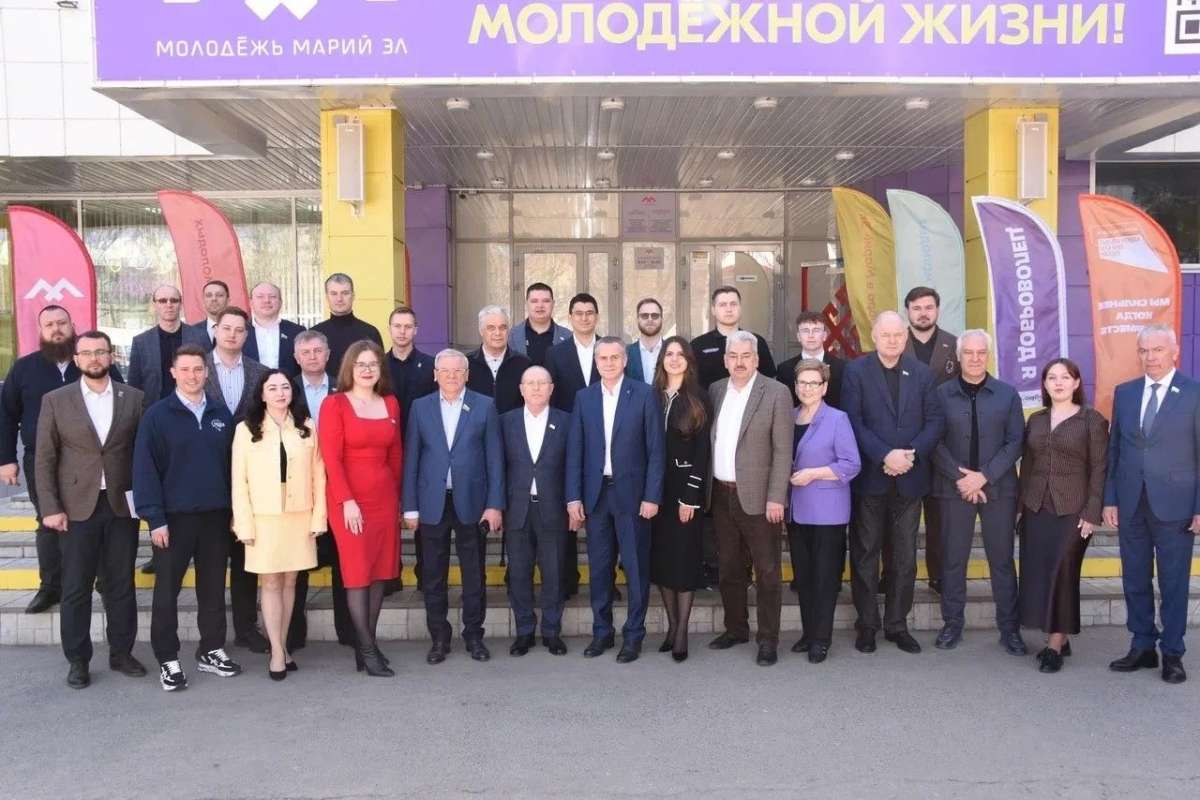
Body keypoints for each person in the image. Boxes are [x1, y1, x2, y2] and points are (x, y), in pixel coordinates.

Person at [35, 331, 146, 689]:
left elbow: (143, 455)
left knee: (121, 584)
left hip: (120, 506)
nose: (94, 358)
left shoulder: (134, 398)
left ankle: (122, 653)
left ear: (111, 356)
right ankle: (78, 660)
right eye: (87, 353)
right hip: (74, 508)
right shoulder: (56, 400)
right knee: (76, 587)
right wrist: (50, 507)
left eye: (100, 352)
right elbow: (44, 458)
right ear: (77, 359)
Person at [0, 305, 123, 614]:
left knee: (96, 519)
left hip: (93, 461)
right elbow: (6, 415)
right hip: (43, 461)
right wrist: (6, 459)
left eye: (62, 323)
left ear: (72, 325)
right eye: (49, 324)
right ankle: (51, 587)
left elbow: (123, 404)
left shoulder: (94, 363)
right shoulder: (24, 368)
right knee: (48, 521)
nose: (56, 329)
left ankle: (104, 581)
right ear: (40, 330)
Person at [134, 344, 242, 691]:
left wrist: (234, 512)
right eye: (185, 370)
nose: (192, 376)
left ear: (206, 372)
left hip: (215, 518)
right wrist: (155, 519)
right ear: (173, 373)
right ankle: (168, 658)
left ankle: (211, 649)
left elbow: (233, 468)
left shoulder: (220, 413)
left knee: (213, 588)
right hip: (173, 520)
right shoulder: (157, 415)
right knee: (167, 592)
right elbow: (145, 470)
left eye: (198, 369)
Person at [841, 311, 944, 655]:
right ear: (874, 336)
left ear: (905, 337)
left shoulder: (923, 373)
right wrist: (884, 455)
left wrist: (910, 455)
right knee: (865, 555)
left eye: (898, 335)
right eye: (885, 335)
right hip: (870, 478)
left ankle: (897, 625)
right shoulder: (856, 371)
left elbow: (935, 421)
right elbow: (853, 420)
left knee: (904, 557)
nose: (892, 340)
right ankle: (867, 625)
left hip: (910, 479)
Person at [1102, 324, 1200, 685]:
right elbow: (1115, 449)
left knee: (1173, 582)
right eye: (1144, 350)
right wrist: (1110, 498)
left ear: (1174, 351)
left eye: (1158, 350)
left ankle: (1172, 652)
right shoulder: (1125, 393)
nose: (1150, 357)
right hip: (1131, 503)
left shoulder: (1193, 393)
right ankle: (1142, 645)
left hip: (1176, 506)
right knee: (1135, 578)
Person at [567, 337, 665, 664]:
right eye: (603, 358)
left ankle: (633, 636)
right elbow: (575, 451)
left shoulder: (644, 394)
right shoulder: (584, 397)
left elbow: (656, 451)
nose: (608, 363)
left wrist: (652, 496)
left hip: (634, 497)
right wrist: (573, 497)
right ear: (596, 363)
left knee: (635, 569)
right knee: (599, 569)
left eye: (614, 358)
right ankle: (602, 632)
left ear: (625, 361)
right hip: (595, 497)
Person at [403, 349, 504, 665]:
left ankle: (474, 635)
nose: (451, 376)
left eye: (457, 370)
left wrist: (494, 505)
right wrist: (410, 507)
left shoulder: (485, 405)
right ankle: (439, 637)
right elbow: (412, 459)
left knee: (474, 574)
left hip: (472, 503)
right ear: (435, 374)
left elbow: (495, 459)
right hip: (432, 503)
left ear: (467, 374)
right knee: (433, 575)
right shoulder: (420, 407)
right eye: (445, 370)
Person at [930, 330, 1025, 655]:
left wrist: (984, 476)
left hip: (998, 489)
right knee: (952, 560)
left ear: (988, 355)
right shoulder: (941, 394)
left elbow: (1016, 442)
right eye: (968, 353)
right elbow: (933, 441)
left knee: (1002, 561)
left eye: (980, 353)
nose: (974, 358)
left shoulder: (1007, 394)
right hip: (953, 488)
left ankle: (1010, 629)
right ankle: (952, 625)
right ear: (958, 357)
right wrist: (962, 478)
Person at [705, 331, 793, 667]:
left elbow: (783, 450)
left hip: (760, 499)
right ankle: (736, 629)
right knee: (729, 568)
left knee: (767, 571)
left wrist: (776, 497)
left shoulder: (776, 392)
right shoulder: (716, 390)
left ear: (756, 359)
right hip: (721, 494)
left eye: (746, 356)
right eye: (733, 356)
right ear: (725, 360)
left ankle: (768, 640)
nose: (739, 362)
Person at [231, 371, 325, 680]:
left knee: (290, 582)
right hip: (264, 517)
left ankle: (282, 645)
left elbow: (319, 476)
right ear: (261, 394)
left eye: (285, 387)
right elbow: (239, 482)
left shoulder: (306, 427)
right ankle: (275, 651)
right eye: (272, 388)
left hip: (299, 514)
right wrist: (244, 524)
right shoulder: (246, 429)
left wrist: (319, 517)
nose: (280, 393)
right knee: (270, 582)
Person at [1018, 358, 1108, 674]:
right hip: (1037, 508)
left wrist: (1092, 512)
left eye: (1065, 377)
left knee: (1063, 572)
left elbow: (1100, 468)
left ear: (1076, 382)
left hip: (1074, 511)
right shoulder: (1036, 420)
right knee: (1043, 573)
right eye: (1052, 378)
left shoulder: (1091, 420)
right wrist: (1020, 508)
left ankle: (1054, 646)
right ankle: (1060, 635)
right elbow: (1027, 466)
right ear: (1044, 384)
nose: (1058, 383)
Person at [319, 341, 403, 677]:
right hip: (349, 501)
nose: (367, 370)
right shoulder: (335, 404)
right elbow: (331, 458)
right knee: (356, 574)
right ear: (349, 369)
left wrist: (397, 498)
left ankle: (368, 645)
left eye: (373, 364)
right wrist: (347, 501)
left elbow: (395, 454)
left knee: (380, 572)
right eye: (360, 364)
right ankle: (367, 650)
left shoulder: (391, 403)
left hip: (384, 499)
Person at [203, 306, 269, 654]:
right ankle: (211, 637)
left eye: (239, 330)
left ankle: (246, 628)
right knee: (212, 564)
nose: (232, 335)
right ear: (215, 330)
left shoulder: (260, 373)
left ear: (247, 334)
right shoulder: (196, 368)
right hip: (207, 479)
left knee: (246, 562)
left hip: (250, 481)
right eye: (226, 328)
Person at [786, 358, 860, 664]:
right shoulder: (789, 416)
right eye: (802, 383)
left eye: (813, 383)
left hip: (828, 512)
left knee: (825, 578)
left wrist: (813, 474)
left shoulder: (837, 419)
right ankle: (808, 633)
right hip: (796, 511)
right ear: (795, 386)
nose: (807, 388)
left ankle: (821, 639)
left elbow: (851, 464)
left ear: (824, 387)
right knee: (803, 577)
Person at [500, 366, 571, 657]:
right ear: (521, 389)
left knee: (554, 573)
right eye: (530, 383)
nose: (537, 388)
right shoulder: (506, 421)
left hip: (553, 508)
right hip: (517, 508)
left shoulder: (566, 421)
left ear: (552, 388)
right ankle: (524, 632)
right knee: (519, 573)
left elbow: (572, 466)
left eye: (542, 383)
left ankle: (552, 632)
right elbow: (498, 466)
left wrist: (573, 503)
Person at [649, 337, 710, 662]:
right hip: (656, 491)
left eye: (680, 354)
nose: (674, 359)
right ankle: (672, 626)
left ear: (689, 360)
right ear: (662, 359)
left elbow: (703, 451)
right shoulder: (651, 395)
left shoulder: (699, 396)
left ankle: (683, 631)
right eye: (669, 354)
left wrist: (691, 495)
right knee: (662, 561)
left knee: (684, 561)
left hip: (685, 492)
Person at [290, 330, 350, 650]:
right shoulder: (284, 390)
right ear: (296, 358)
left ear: (328, 355)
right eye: (306, 352)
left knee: (343, 562)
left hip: (338, 485)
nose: (312, 357)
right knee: (298, 563)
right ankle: (293, 634)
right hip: (299, 488)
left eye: (318, 351)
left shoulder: (346, 389)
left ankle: (348, 631)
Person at [903, 286, 959, 595]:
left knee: (940, 517)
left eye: (928, 307)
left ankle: (938, 575)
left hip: (943, 442)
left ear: (937, 310)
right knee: (900, 518)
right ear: (908, 312)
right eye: (917, 308)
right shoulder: (896, 343)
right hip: (904, 442)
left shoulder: (955, 345)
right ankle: (895, 576)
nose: (923, 313)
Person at [546, 292, 601, 598]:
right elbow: (551, 398)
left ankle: (604, 582)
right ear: (570, 318)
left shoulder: (609, 350)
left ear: (596, 317)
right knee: (567, 511)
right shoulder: (556, 354)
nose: (584, 318)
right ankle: (568, 579)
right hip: (566, 443)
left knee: (601, 516)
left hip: (604, 444)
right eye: (578, 313)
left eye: (589, 312)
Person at [689, 286, 776, 390]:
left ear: (740, 308)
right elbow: (690, 383)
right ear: (713, 310)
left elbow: (768, 380)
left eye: (733, 304)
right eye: (722, 305)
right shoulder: (698, 345)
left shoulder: (756, 341)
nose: (729, 309)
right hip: (710, 400)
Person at [311, 273, 383, 378]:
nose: (339, 299)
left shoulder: (370, 333)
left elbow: (379, 372)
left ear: (353, 296)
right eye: (334, 294)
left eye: (345, 293)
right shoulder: (314, 334)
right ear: (327, 297)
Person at [467, 305, 532, 415]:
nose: (497, 333)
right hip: (478, 425)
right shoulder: (466, 364)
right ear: (481, 331)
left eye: (503, 328)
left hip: (512, 425)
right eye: (491, 328)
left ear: (508, 331)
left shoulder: (524, 364)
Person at [775, 311, 845, 410]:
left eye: (816, 330)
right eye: (805, 331)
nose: (811, 335)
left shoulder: (842, 368)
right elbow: (783, 407)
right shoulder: (784, 369)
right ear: (798, 336)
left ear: (825, 336)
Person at [127, 285, 185, 402]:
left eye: (174, 300)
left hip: (192, 409)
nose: (169, 305)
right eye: (162, 301)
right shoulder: (141, 342)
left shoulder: (199, 337)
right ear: (154, 305)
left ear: (181, 304)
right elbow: (134, 384)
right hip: (153, 408)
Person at [385, 305, 437, 436]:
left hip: (422, 436)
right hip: (387, 436)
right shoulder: (379, 366)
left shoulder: (431, 365)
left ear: (415, 330)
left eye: (408, 327)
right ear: (389, 329)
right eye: (397, 326)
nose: (402, 331)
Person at [243, 281, 305, 378]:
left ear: (280, 302)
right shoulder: (241, 331)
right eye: (260, 296)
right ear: (251, 302)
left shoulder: (297, 332)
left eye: (272, 296)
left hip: (289, 386)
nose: (267, 300)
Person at [508, 282, 571, 366]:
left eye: (546, 301)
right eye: (534, 301)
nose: (540, 305)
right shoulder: (511, 336)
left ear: (553, 304)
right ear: (526, 304)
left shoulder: (568, 337)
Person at [182, 279, 230, 350]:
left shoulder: (242, 329)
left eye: (219, 295)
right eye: (209, 295)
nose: (214, 299)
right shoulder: (190, 333)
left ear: (228, 300)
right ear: (203, 300)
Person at [625, 298, 664, 384]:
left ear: (661, 319)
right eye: (644, 316)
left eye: (655, 316)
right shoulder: (625, 353)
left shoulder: (671, 351)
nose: (650, 319)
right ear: (637, 319)